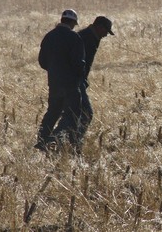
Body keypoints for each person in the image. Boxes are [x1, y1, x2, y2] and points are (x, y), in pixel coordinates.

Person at [35, 9, 85, 153]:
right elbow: (79, 63)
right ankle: (56, 140)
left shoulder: (49, 37)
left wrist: (54, 71)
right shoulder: (74, 38)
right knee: (72, 115)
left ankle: (42, 140)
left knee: (53, 112)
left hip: (54, 83)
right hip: (70, 84)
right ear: (73, 23)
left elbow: (42, 61)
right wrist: (78, 77)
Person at [75, 15, 114, 152]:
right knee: (86, 113)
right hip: (75, 80)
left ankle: (64, 143)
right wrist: (80, 78)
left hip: (77, 80)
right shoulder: (86, 38)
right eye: (106, 31)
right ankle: (74, 144)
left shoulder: (90, 36)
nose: (106, 35)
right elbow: (78, 61)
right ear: (99, 27)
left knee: (72, 114)